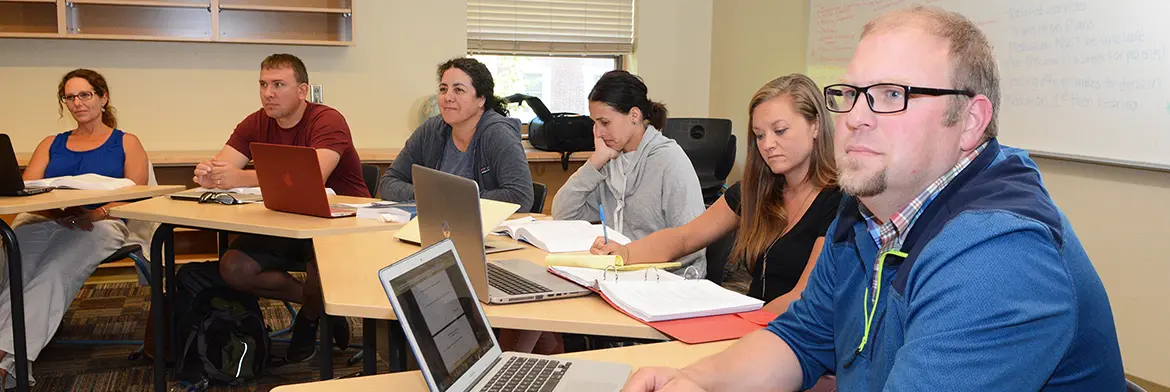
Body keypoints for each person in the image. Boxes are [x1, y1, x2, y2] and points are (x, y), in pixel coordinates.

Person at [621, 5, 1124, 392]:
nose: (856, 116)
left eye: (890, 95)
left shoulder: (1000, 256)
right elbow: (799, 339)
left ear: (969, 121)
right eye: (852, 93)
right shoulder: (864, 208)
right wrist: (697, 381)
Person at [591, 74, 842, 314]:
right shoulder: (754, 191)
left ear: (816, 126)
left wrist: (740, 328)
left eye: (780, 131)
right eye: (759, 135)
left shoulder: (839, 202)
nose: (767, 145)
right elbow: (683, 238)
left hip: (793, 337)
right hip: (757, 328)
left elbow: (804, 297)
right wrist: (624, 254)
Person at [192, 53, 368, 363]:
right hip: (284, 221)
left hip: (338, 224)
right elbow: (225, 165)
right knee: (233, 266)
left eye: (278, 85)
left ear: (302, 91)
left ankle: (309, 319)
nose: (268, 93)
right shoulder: (256, 121)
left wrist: (238, 176)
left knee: (322, 273)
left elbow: (312, 176)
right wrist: (211, 174)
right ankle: (323, 308)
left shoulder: (327, 120)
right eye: (263, 84)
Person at [0, 68, 149, 387]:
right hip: (47, 217)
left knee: (53, 272)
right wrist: (54, 209)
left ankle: (7, 358)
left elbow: (138, 196)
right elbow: (28, 187)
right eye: (69, 97)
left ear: (103, 97)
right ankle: (7, 349)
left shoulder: (126, 142)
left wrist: (97, 213)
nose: (77, 102)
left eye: (85, 95)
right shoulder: (52, 142)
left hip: (101, 222)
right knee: (15, 268)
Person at [552, 70, 707, 274]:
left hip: (664, 283)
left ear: (634, 115)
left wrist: (633, 258)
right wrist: (595, 161)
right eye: (594, 123)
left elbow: (692, 245)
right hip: (619, 277)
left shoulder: (669, 160)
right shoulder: (609, 162)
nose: (598, 132)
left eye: (604, 122)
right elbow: (563, 214)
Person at [380, 57, 534, 212]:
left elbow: (520, 197)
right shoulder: (431, 130)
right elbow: (388, 182)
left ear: (481, 99)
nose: (448, 97)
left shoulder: (498, 134)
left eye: (458, 90)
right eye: (443, 89)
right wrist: (428, 195)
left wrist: (456, 198)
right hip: (438, 225)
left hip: (488, 230)